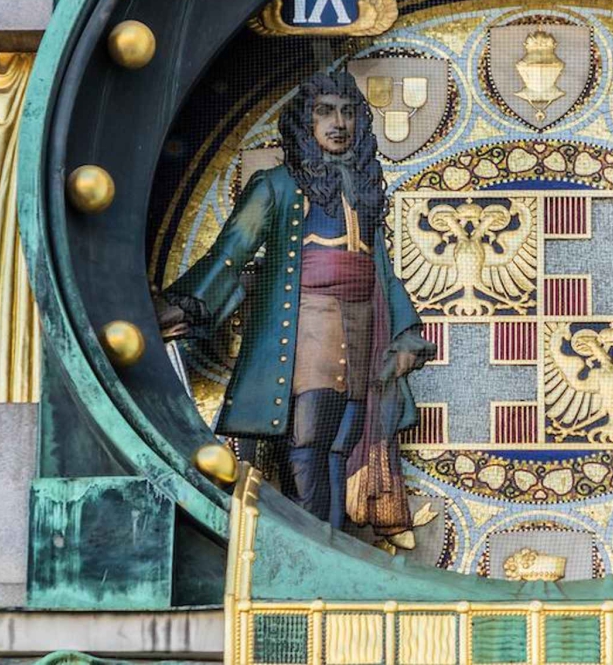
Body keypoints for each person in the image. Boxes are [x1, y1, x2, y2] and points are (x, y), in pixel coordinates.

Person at [160, 70, 435, 545]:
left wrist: (406, 334)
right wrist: (186, 304)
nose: (338, 123)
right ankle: (313, 547)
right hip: (309, 323)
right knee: (308, 442)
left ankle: (335, 548)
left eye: (348, 112)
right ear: (303, 122)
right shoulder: (276, 186)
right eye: (324, 112)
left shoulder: (362, 191)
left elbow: (383, 274)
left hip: (363, 327)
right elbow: (230, 254)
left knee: (343, 446)